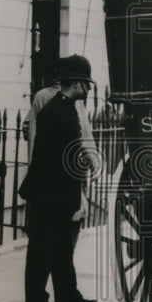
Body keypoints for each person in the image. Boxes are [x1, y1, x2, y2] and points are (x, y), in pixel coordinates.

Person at [22, 54, 97, 302]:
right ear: (75, 83)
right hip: (49, 191)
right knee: (42, 247)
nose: (88, 89)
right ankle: (36, 300)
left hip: (62, 190)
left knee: (63, 247)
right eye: (85, 84)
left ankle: (67, 295)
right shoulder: (53, 111)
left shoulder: (68, 108)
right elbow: (49, 158)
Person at [25, 66, 98, 250]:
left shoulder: (72, 100)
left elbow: (83, 131)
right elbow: (34, 133)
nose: (88, 89)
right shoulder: (45, 98)